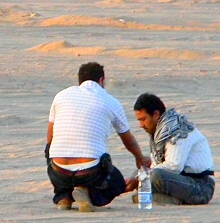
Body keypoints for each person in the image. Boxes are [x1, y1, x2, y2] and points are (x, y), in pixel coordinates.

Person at [46, 62, 150, 212]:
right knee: (118, 184)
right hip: (90, 172)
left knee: (50, 148)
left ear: (79, 80)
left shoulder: (61, 96)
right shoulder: (111, 101)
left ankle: (64, 197)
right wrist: (139, 157)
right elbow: (127, 139)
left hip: (58, 171)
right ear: (101, 80)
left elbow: (50, 137)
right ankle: (86, 192)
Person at [128, 93, 215, 205]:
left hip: (201, 187)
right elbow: (156, 165)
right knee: (141, 172)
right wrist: (139, 176)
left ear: (155, 114)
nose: (141, 125)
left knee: (154, 176)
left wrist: (139, 178)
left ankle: (163, 199)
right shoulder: (160, 133)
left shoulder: (176, 131)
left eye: (143, 119)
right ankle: (157, 198)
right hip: (181, 180)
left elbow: (174, 166)